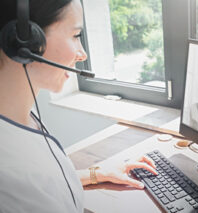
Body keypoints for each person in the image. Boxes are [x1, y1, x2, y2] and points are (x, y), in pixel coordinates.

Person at [0, 0, 157, 212]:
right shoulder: (9, 170)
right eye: (75, 36)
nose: (82, 54)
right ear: (25, 42)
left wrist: (96, 173)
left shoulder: (21, 114)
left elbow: (44, 183)